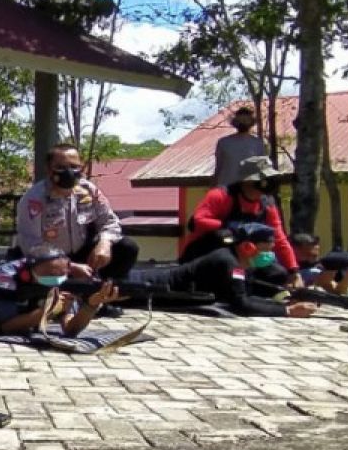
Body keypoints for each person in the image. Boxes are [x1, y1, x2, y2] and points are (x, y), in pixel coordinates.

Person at [133, 223, 317, 318]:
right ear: (248, 247)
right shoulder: (229, 263)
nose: (270, 255)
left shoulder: (238, 261)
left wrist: (284, 301)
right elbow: (241, 304)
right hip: (147, 284)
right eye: (266, 249)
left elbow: (247, 293)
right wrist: (287, 312)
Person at [14, 143, 139, 281]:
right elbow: (31, 244)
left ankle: (105, 293)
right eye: (60, 167)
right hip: (49, 259)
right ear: (49, 170)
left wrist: (105, 243)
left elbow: (109, 221)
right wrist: (69, 266)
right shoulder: (34, 199)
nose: (69, 172)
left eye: (74, 166)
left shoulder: (89, 191)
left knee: (127, 247)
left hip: (82, 253)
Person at [182, 155, 298, 286]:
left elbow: (278, 237)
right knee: (222, 237)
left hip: (246, 258)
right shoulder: (221, 195)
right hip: (208, 254)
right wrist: (232, 227)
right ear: (247, 181)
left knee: (278, 275)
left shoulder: (267, 204)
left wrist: (293, 270)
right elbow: (198, 220)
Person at [213, 106, 266, 187]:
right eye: (241, 120)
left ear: (251, 122)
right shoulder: (224, 143)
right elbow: (218, 168)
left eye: (246, 120)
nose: (244, 122)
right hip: (226, 190)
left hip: (248, 191)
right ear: (236, 122)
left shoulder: (258, 143)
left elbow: (261, 169)